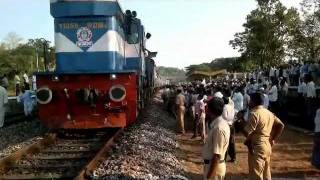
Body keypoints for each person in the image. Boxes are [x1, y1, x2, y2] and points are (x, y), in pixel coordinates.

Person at [244, 93, 284, 180]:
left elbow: (247, 132)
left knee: (256, 176)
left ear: (253, 102)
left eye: (250, 100)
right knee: (266, 174)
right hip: (267, 146)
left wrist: (240, 123)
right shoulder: (269, 113)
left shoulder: (254, 114)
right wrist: (273, 139)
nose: (249, 102)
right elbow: (281, 125)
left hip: (257, 147)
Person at [202, 97, 230, 180]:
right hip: (211, 166)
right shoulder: (218, 124)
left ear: (210, 110)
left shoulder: (219, 128)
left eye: (207, 106)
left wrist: (209, 177)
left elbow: (217, 156)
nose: (205, 108)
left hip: (214, 169)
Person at [222, 91, 236, 163]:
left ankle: (224, 159)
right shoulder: (231, 107)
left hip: (226, 125)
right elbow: (233, 115)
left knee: (225, 142)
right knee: (232, 142)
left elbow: (224, 116)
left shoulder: (224, 107)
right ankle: (233, 158)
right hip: (231, 124)